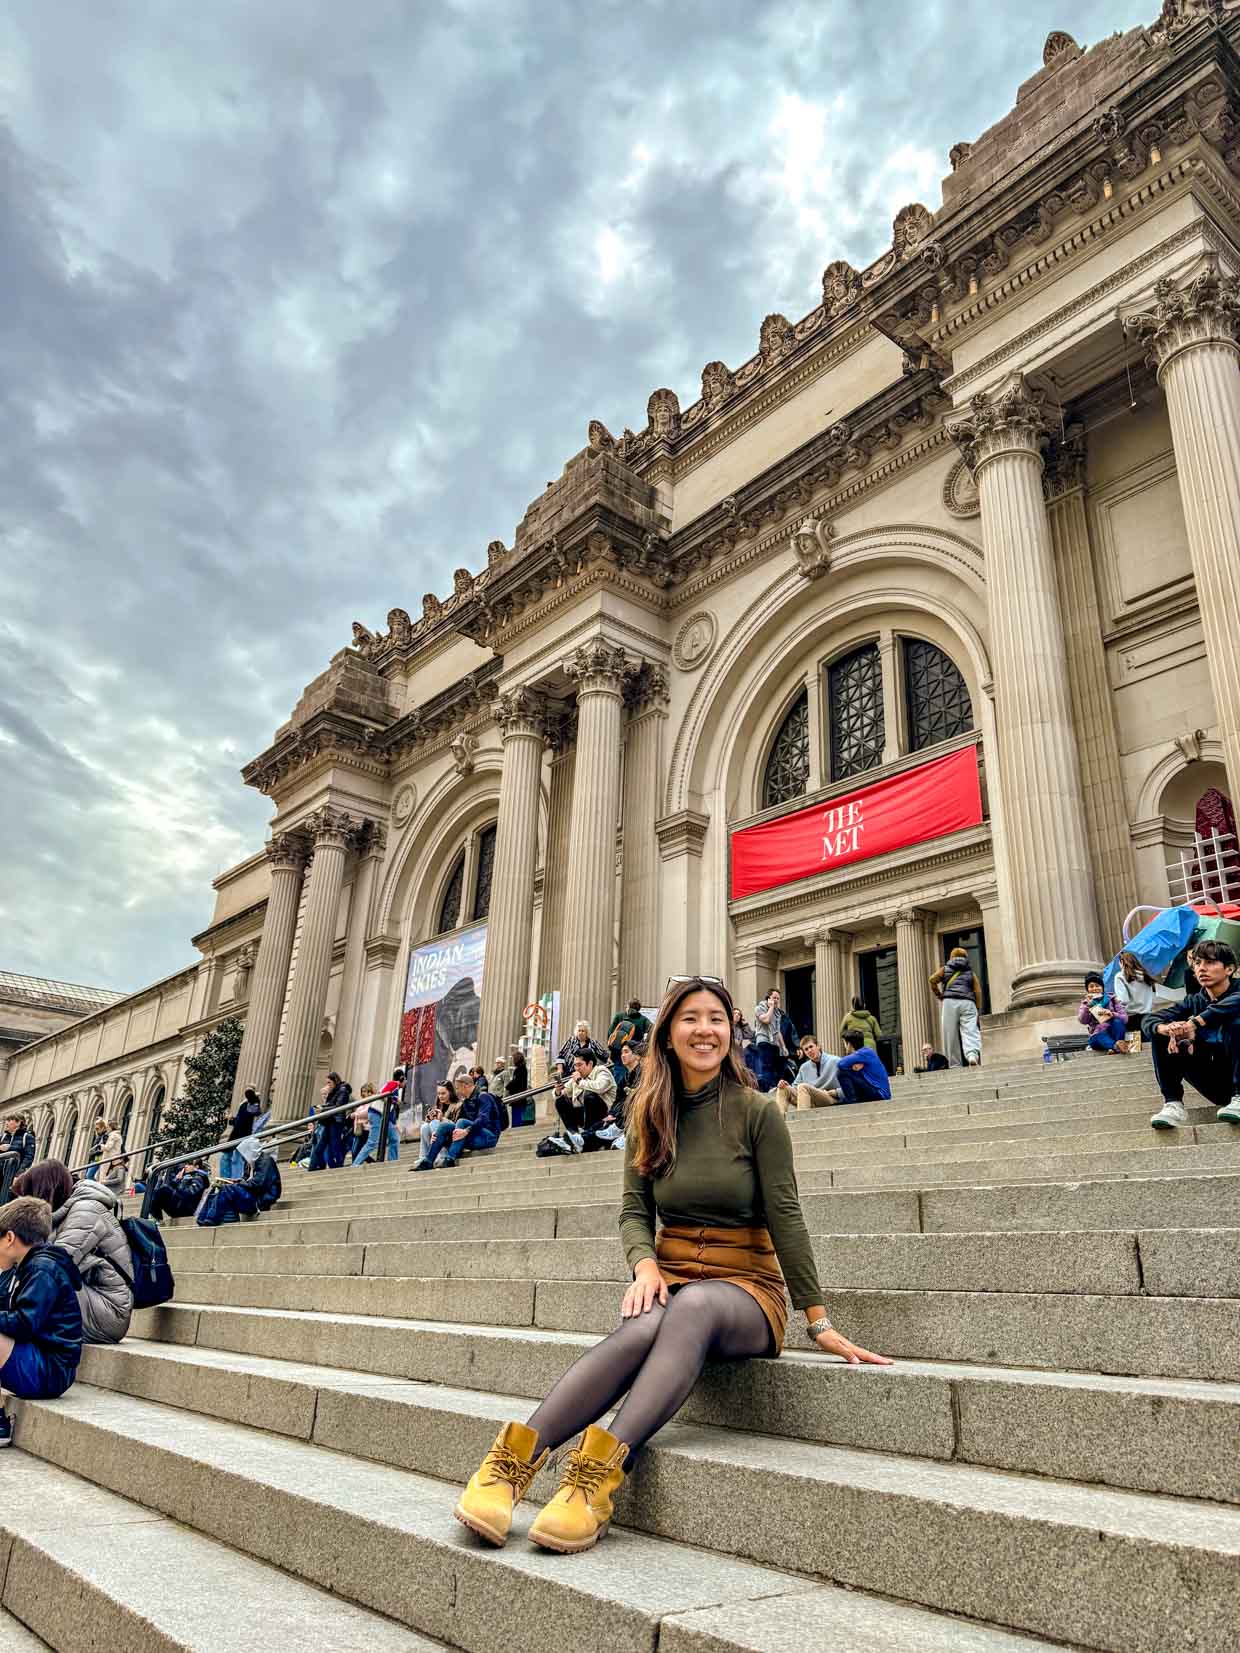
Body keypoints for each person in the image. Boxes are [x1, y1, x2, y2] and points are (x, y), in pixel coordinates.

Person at [452, 975, 889, 1555]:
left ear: (731, 1030)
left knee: (696, 1306)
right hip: (675, 1279)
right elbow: (634, 1212)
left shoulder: (759, 1114)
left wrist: (819, 1320)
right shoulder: (648, 1114)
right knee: (656, 1318)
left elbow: (786, 1215)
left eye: (715, 1018)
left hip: (747, 1292)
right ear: (668, 1033)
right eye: (690, 1018)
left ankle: (594, 1480)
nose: (704, 1029)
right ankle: (510, 1464)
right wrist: (645, 1267)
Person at [12, 1159, 133, 1345]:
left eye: (27, 1196)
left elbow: (55, 1265)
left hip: (108, 1311)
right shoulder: (64, 1213)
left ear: (42, 1191)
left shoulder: (86, 1210)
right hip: (86, 1297)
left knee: (36, 1281)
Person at [0, 1195, 84, 1443]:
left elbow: (25, 1324)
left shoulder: (42, 1269)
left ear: (10, 1238)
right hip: (39, 1359)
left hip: (50, 1370)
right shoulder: (30, 1266)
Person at [1145, 938, 1240, 1131]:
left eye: (1210, 962)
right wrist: (1166, 1029)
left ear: (1229, 969)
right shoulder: (1193, 1001)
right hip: (1217, 1083)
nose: (1202, 968)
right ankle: (1173, 1104)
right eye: (1197, 963)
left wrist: (1195, 1023)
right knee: (1164, 1033)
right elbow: (1149, 1020)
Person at [415, 1076, 504, 1171]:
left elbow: (483, 1119)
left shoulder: (483, 1096)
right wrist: (438, 1134)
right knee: (444, 1126)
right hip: (474, 1135)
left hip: (489, 1137)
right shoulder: (466, 1102)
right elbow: (456, 1127)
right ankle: (428, 1161)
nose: (457, 1091)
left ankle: (450, 1158)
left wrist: (467, 1131)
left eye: (458, 1088)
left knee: (461, 1121)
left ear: (465, 1086)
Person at [929, 949, 981, 1068]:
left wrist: (939, 994)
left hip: (949, 1002)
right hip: (968, 1002)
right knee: (970, 1030)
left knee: (950, 1033)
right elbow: (978, 991)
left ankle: (954, 1064)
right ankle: (972, 1055)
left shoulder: (945, 969)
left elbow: (932, 979)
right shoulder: (970, 972)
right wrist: (977, 1008)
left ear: (951, 957)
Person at [554, 1052, 616, 1148]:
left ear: (590, 1064)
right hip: (584, 1115)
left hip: (605, 1116)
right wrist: (558, 1090)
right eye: (575, 1065)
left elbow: (600, 1087)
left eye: (580, 1065)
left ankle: (588, 1136)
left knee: (589, 1095)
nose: (577, 1069)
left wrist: (580, 1081)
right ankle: (574, 1134)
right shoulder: (577, 1077)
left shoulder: (602, 1071)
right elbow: (562, 1092)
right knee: (560, 1101)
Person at [775, 1035, 839, 1115]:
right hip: (809, 1100)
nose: (809, 1051)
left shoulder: (835, 1061)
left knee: (803, 1086)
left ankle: (802, 1122)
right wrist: (787, 1085)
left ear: (818, 1046)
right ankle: (779, 1122)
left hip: (829, 1098)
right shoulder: (804, 1067)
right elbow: (795, 1087)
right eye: (806, 1049)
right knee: (783, 1088)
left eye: (811, 1047)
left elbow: (849, 1085)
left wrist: (835, 1092)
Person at [751, 988, 797, 1090]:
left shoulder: (777, 1013)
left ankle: (776, 1088)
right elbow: (766, 1020)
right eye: (774, 998)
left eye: (778, 998)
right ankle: (768, 1089)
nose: (776, 1000)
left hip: (775, 1043)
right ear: (768, 998)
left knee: (778, 1067)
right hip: (764, 1041)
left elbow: (777, 1031)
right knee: (767, 1066)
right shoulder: (759, 1008)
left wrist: (783, 1047)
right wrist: (771, 1007)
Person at [354, 1073, 403, 1165]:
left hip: (384, 1116)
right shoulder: (394, 1083)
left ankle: (392, 1162)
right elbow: (383, 1094)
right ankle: (355, 1164)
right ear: (402, 1079)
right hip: (376, 1113)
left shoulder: (395, 1088)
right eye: (405, 1081)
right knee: (372, 1142)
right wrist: (396, 1101)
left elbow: (390, 1108)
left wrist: (395, 1124)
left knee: (394, 1138)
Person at [1078, 971, 1129, 1056]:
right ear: (1087, 990)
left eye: (1097, 986)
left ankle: (1114, 1047)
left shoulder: (1112, 999)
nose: (1095, 988)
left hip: (1112, 1033)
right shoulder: (1086, 1003)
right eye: (1091, 986)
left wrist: (1112, 1014)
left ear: (1102, 987)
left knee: (1117, 1022)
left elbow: (1125, 1019)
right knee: (1099, 1035)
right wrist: (1088, 1006)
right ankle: (1115, 1046)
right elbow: (1083, 1020)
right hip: (1097, 1035)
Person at [835, 1030, 892, 1105]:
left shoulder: (864, 1052)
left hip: (880, 1094)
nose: (845, 1046)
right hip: (874, 1090)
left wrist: (851, 1068)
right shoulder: (864, 1053)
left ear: (849, 1044)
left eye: (845, 1043)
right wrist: (853, 1068)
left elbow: (840, 1064)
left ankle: (852, 1100)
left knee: (841, 1072)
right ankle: (852, 1099)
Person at [309, 1072, 351, 1171]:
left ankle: (338, 1167)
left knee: (334, 1145)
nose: (327, 1085)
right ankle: (313, 1167)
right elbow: (330, 1104)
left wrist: (323, 1109)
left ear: (335, 1081)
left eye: (329, 1082)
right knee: (321, 1146)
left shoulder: (343, 1090)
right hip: (329, 1121)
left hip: (336, 1121)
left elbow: (338, 1106)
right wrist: (322, 1107)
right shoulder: (334, 1091)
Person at [145, 1159, 210, 1223]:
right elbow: (174, 1190)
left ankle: (157, 1219)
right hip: (179, 1206)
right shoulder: (187, 1176)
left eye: (189, 1164)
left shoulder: (199, 1178)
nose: (185, 1166)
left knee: (163, 1189)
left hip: (187, 1210)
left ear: (196, 1167)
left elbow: (188, 1194)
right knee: (159, 1191)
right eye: (186, 1164)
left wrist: (178, 1183)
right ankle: (157, 1218)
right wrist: (176, 1180)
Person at [606, 1000, 652, 1086]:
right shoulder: (643, 1019)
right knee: (634, 1075)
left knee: (619, 1077)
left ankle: (620, 1095)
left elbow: (610, 1033)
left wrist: (611, 1049)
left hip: (618, 1053)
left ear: (628, 1007)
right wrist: (643, 1045)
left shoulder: (619, 1016)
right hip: (634, 1054)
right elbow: (652, 1030)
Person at [222, 1089, 264, 1178]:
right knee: (227, 1157)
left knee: (237, 1159)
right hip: (236, 1135)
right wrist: (231, 1119)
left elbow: (255, 1111)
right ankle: (227, 1178)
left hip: (243, 1136)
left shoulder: (252, 1103)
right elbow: (239, 1121)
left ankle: (236, 1178)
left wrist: (254, 1097)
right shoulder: (244, 1106)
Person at [1114, 951, 1159, 1025]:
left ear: (1122, 962)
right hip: (1148, 1017)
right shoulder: (1146, 976)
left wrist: (1115, 1001)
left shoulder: (1120, 976)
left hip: (1131, 1018)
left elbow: (1123, 1000)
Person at [505, 1046, 531, 1126]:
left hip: (518, 1097)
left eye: (513, 1059)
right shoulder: (523, 1068)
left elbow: (516, 1081)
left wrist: (507, 1086)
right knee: (518, 1115)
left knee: (517, 1117)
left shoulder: (520, 1069)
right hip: (520, 1097)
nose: (512, 1061)